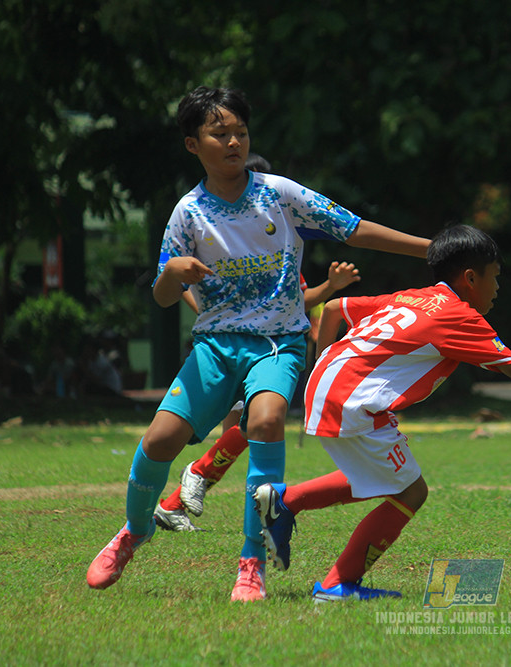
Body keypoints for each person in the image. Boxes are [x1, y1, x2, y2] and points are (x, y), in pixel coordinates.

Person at [86, 85, 429, 602]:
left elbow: (352, 229)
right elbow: (162, 297)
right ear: (192, 145)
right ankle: (134, 531)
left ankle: (251, 563)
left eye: (240, 133)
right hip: (215, 347)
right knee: (159, 442)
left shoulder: (279, 193)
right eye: (218, 134)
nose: (233, 142)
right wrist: (172, 275)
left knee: (265, 420)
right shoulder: (188, 214)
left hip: (278, 343)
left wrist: (433, 248)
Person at [253, 224, 511, 602]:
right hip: (352, 400)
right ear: (469, 278)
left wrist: (322, 371)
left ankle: (287, 501)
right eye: (494, 278)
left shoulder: (414, 297)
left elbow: (334, 308)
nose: (497, 289)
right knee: (411, 492)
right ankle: (337, 583)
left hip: (329, 386)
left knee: (382, 476)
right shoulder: (459, 315)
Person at [154, 259, 361, 532]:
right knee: (245, 429)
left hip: (267, 353)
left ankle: (175, 502)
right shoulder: (222, 238)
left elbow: (296, 302)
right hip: (227, 351)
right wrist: (216, 319)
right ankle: (193, 479)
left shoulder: (282, 246)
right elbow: (179, 284)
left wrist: (329, 286)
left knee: (252, 429)